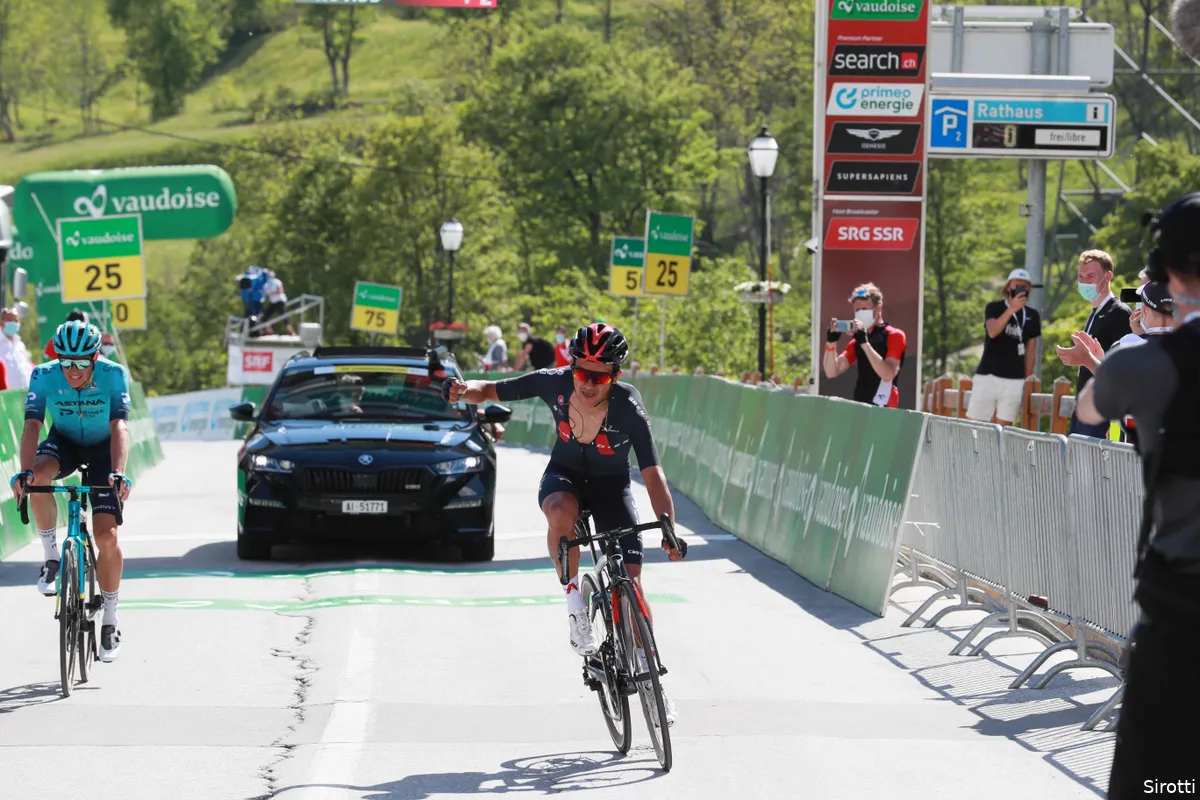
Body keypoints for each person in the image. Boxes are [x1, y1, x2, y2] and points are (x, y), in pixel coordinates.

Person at [442, 323, 688, 725]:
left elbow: (653, 472)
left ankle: (652, 680)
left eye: (600, 375)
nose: (589, 383)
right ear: (570, 365)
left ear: (617, 375)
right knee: (560, 511)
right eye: (581, 372)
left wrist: (669, 529)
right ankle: (575, 604)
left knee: (634, 584)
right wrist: (461, 389)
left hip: (612, 489)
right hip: (565, 478)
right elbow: (487, 390)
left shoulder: (628, 406)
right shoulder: (551, 382)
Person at [1071, 192, 1200, 799]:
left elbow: (1091, 406)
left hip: (1182, 600)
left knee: (1160, 780)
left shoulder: (1148, 363)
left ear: (1166, 270)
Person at [10, 320, 133, 662]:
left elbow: (119, 424)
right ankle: (51, 557)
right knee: (36, 479)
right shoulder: (43, 375)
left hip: (102, 447)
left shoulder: (113, 374)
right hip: (63, 442)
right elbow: (32, 424)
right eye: (66, 362)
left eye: (81, 363)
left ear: (96, 358)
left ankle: (110, 617)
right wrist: (23, 470)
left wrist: (118, 473)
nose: (73, 370)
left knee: (107, 536)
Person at [1056, 250, 1131, 438]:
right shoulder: (1095, 312)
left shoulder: (1119, 312)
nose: (1084, 282)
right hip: (1084, 407)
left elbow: (1123, 368)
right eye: (1081, 277)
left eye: (1090, 276)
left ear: (1108, 276)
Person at [965, 268, 1042, 425]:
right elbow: (992, 331)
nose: (1021, 288)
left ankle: (997, 451)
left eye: (1025, 286)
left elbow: (1031, 350)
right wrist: (1011, 309)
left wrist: (1026, 378)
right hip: (988, 375)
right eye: (1017, 284)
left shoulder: (1032, 315)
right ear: (1008, 287)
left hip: (1014, 380)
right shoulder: (994, 308)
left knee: (1004, 430)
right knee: (975, 426)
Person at [822, 283, 907, 408]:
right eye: (857, 310)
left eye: (864, 309)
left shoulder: (894, 335)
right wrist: (831, 342)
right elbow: (831, 372)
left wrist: (865, 344)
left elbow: (888, 374)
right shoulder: (858, 341)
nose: (860, 313)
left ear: (878, 309)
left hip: (885, 409)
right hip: (861, 407)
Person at [0, 306, 34, 389]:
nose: (13, 323)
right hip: (6, 397)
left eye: (15, 321)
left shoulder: (20, 344)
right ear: (1, 323)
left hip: (24, 394)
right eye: (9, 320)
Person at [263, 270, 295, 336]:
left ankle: (291, 332)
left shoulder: (277, 282)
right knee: (265, 317)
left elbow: (281, 291)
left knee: (284, 317)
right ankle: (269, 331)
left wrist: (271, 293)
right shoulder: (266, 284)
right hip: (273, 302)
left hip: (280, 301)